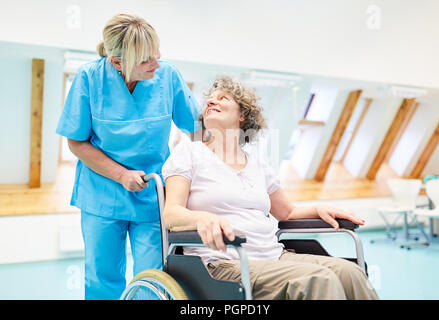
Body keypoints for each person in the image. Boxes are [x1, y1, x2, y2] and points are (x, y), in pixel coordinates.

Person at [161, 76, 379, 300]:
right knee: (319, 279)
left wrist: (319, 209)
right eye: (209, 100)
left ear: (242, 115)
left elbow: (287, 213)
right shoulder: (189, 153)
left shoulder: (257, 163)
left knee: (349, 271)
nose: (211, 102)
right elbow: (171, 214)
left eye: (223, 98)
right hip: (226, 263)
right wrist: (201, 219)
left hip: (275, 257)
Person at [56, 13, 200, 300]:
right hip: (102, 194)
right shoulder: (89, 79)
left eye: (156, 54)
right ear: (117, 63)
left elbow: (197, 129)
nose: (156, 64)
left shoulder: (167, 76)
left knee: (153, 277)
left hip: (152, 193)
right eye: (146, 60)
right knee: (102, 277)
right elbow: (76, 142)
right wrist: (122, 175)